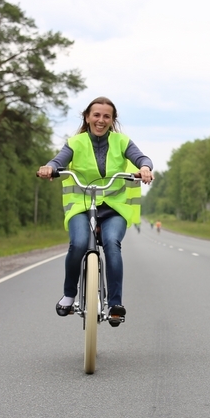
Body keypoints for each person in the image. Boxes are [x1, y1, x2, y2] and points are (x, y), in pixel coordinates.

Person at [37, 96, 153, 327]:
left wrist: (145, 168)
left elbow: (142, 158)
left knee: (112, 242)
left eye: (106, 116)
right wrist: (50, 168)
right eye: (96, 115)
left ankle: (115, 305)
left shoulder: (122, 142)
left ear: (112, 120)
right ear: (88, 117)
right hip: (81, 206)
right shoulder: (75, 142)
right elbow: (59, 160)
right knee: (79, 243)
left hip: (113, 207)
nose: (101, 120)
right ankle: (69, 295)